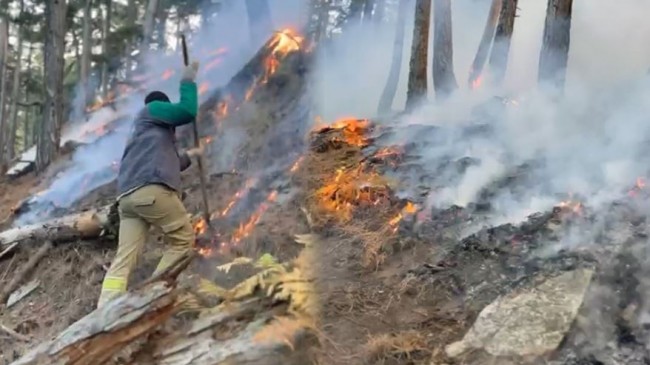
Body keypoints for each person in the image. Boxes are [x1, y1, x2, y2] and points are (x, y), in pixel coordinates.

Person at [97, 61, 203, 308]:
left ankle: (105, 309)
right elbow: (188, 111)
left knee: (125, 257)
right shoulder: (153, 108)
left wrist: (191, 156)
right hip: (151, 190)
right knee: (182, 240)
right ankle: (153, 297)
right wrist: (188, 81)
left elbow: (171, 162)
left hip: (128, 199)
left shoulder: (142, 135)